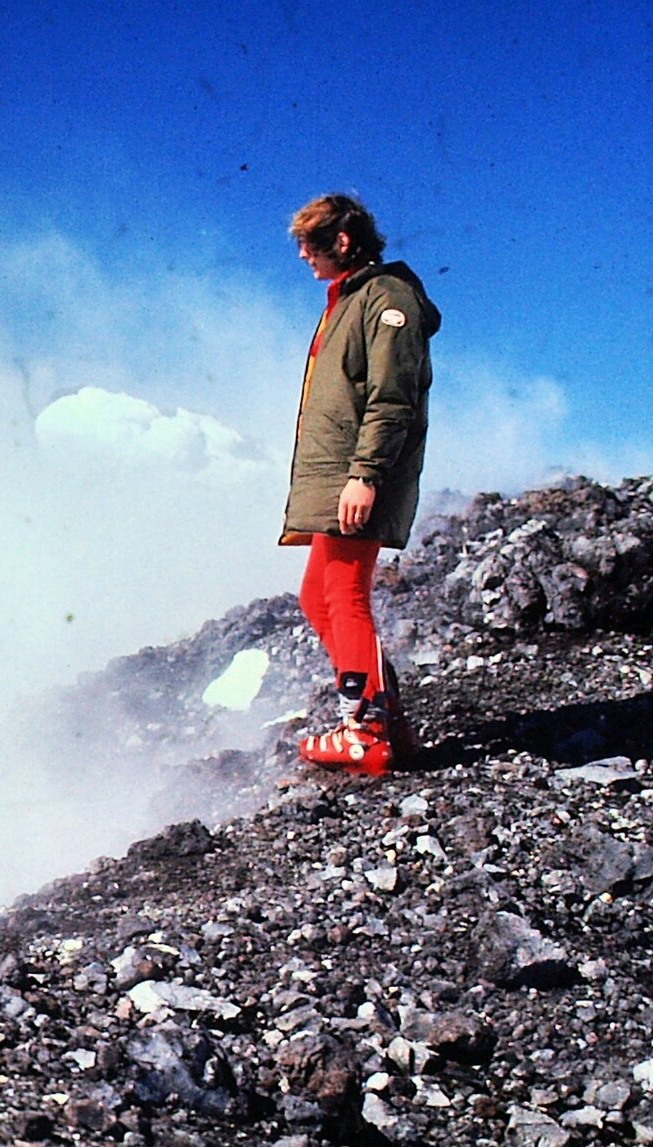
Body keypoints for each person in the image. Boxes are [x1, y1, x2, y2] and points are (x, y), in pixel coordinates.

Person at [283, 193, 441, 776]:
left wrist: (365, 477)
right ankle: (387, 717)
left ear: (342, 241)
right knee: (316, 596)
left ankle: (365, 730)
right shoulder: (346, 303)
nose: (302, 255)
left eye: (310, 242)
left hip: (355, 477)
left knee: (345, 594)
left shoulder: (386, 300)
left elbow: (392, 397)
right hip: (336, 478)